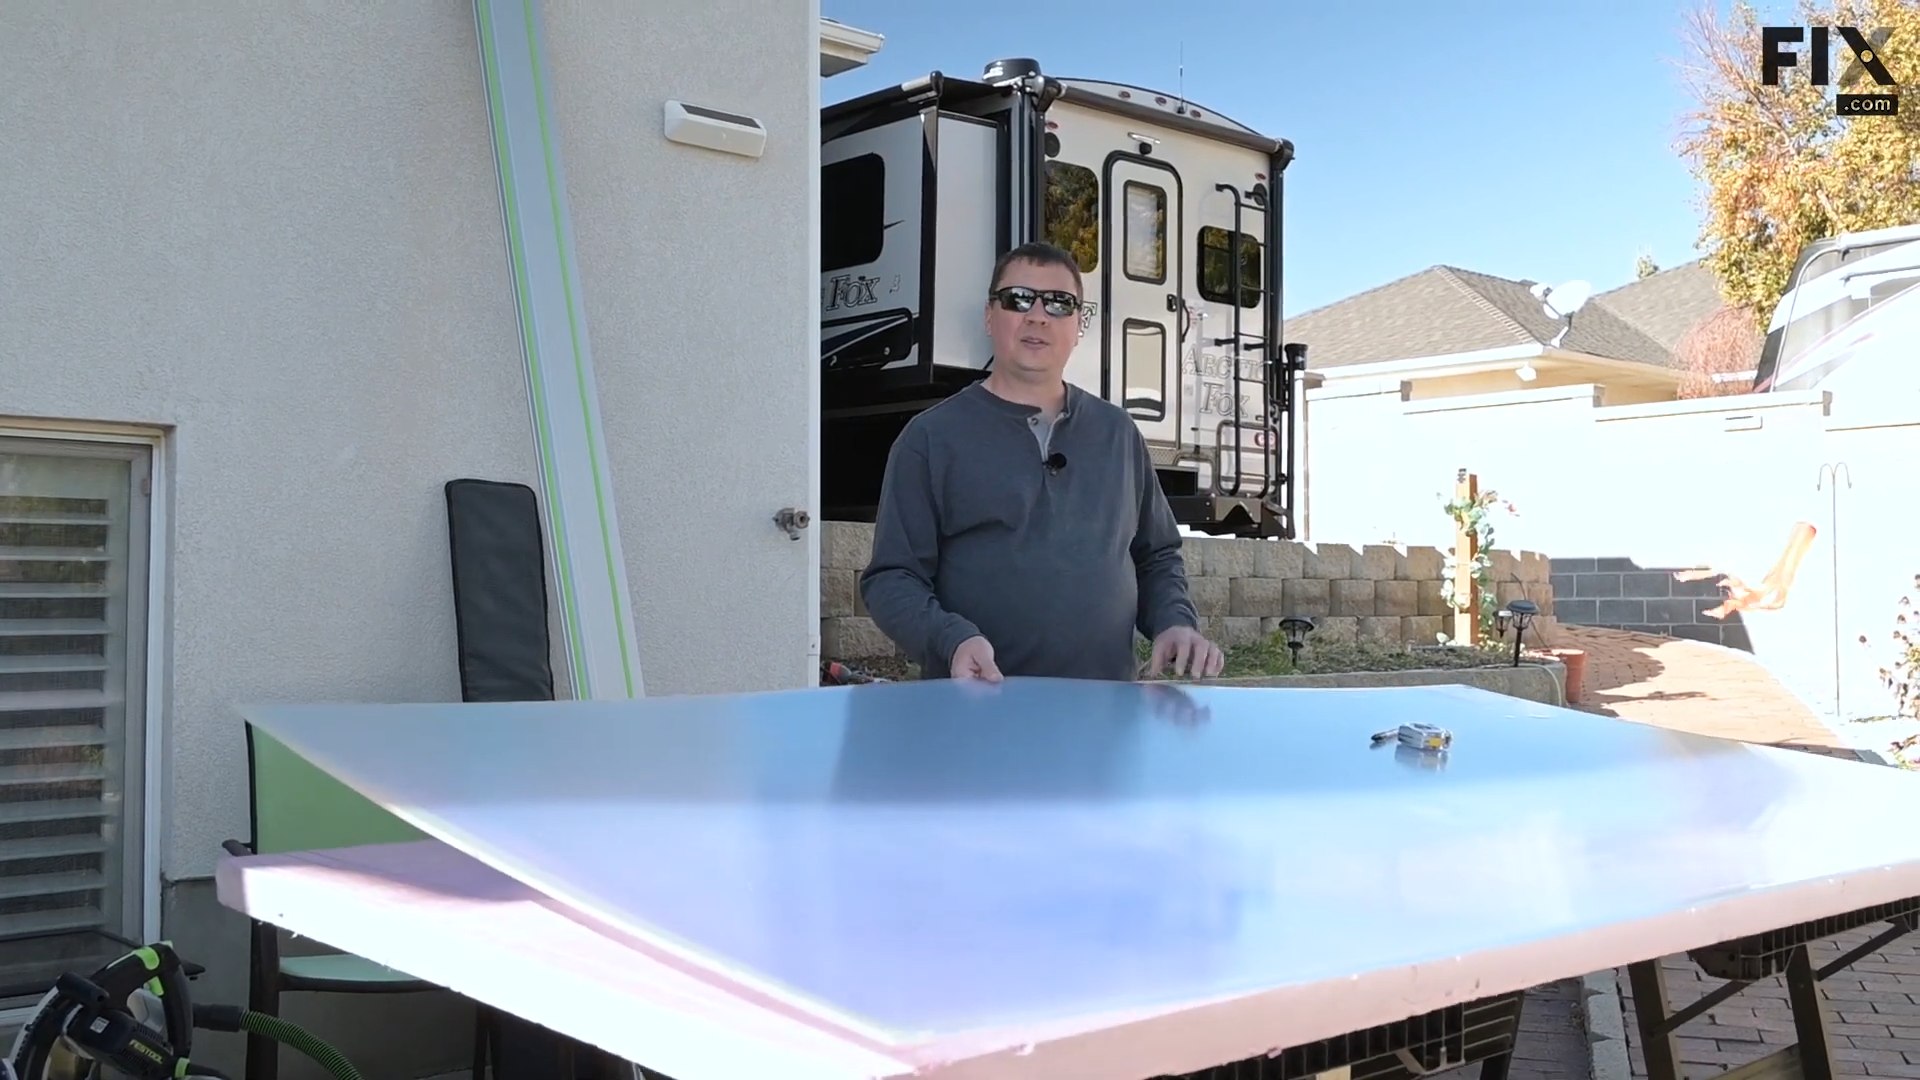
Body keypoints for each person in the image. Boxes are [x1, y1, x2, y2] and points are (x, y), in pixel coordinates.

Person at [859, 240, 1224, 683]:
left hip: (1103, 719)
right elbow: (891, 578)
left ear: (1078, 324)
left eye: (1058, 303)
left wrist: (1174, 622)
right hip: (978, 717)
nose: (1037, 315)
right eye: (1018, 299)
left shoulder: (1118, 434)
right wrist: (951, 640)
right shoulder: (931, 439)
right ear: (990, 316)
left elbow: (1156, 555)